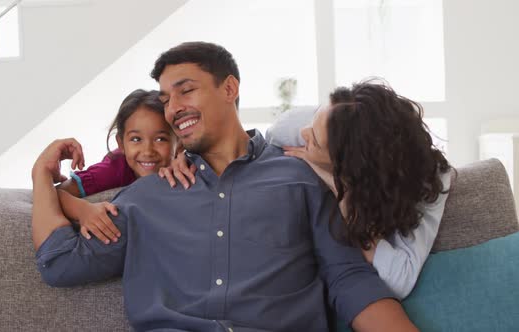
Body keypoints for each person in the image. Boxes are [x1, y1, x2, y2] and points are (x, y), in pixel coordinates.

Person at [31, 42, 417, 331]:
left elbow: (349, 280)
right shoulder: (147, 196)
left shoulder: (299, 180)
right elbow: (60, 263)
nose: (174, 107)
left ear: (230, 88)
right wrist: (40, 176)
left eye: (186, 90)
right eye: (167, 99)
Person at [277, 80, 453, 299]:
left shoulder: (430, 178)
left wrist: (338, 186)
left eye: (314, 140)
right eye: (312, 123)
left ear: (353, 167)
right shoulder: (322, 121)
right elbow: (276, 132)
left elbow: (401, 280)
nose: (303, 133)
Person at [49, 89, 179, 244]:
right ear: (121, 143)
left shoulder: (185, 164)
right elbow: (54, 194)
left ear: (179, 142)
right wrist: (82, 210)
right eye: (136, 139)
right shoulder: (114, 169)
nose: (148, 151)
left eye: (160, 139)